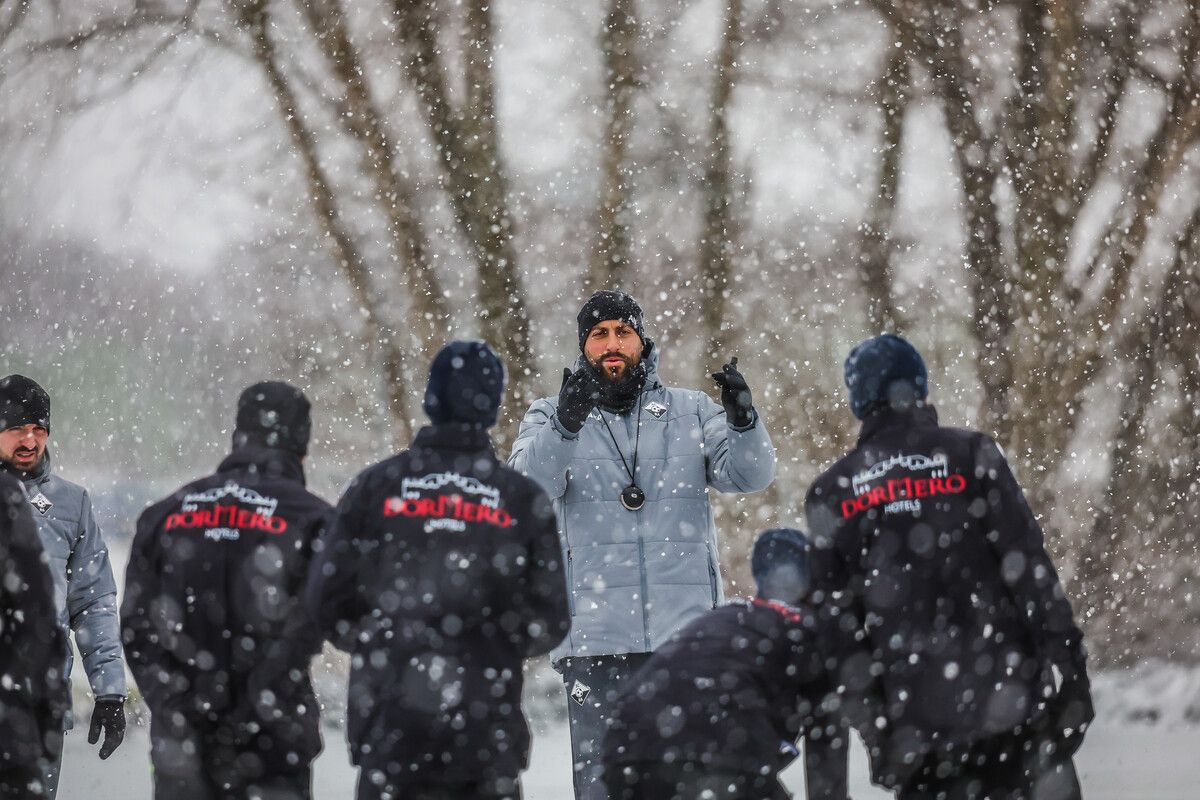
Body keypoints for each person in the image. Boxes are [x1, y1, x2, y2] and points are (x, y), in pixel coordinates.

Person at [509, 289, 777, 800]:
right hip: (595, 644)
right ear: (583, 346)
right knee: (603, 788)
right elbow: (525, 491)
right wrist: (567, 423)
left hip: (685, 641)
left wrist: (744, 420)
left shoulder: (691, 410)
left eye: (622, 332)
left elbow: (751, 473)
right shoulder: (549, 415)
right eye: (599, 334)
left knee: (691, 786)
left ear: (641, 340)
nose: (612, 344)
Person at [804, 334, 1093, 800]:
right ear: (919, 385)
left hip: (921, 740)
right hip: (1018, 718)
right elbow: (1030, 571)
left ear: (859, 400)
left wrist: (878, 734)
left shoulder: (832, 493)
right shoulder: (971, 455)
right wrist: (1073, 674)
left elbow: (837, 635)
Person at [306, 340, 571, 800]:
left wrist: (381, 637)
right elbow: (551, 620)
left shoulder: (375, 488)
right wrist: (491, 641)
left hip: (389, 729)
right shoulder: (520, 499)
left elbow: (326, 601)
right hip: (485, 734)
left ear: (432, 400)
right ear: (491, 406)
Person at [121, 381, 332, 800]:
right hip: (274, 747)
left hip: (184, 748)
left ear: (239, 434)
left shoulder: (165, 515)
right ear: (300, 444)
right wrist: (264, 697)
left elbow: (135, 628)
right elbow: (324, 620)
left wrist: (175, 704)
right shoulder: (313, 520)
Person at [602, 528, 851, 800]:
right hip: (721, 753)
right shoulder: (811, 633)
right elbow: (827, 740)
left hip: (626, 752)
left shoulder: (723, 618)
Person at [0, 374, 126, 797]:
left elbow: (93, 603)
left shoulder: (71, 505)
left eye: (39, 429)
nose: (30, 440)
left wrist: (109, 692)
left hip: (38, 712)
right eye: (17, 428)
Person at [0, 471, 70, 798]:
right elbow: (38, 617)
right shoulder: (7, 496)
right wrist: (49, 714)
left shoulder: (70, 502)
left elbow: (95, 599)